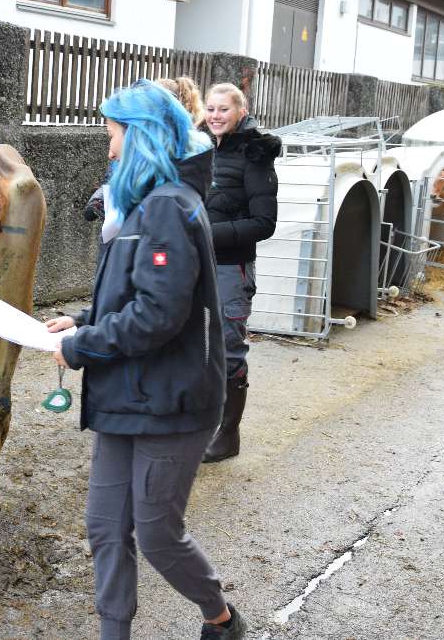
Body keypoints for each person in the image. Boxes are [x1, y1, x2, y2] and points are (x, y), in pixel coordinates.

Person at [46, 80, 248, 640]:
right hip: (125, 395)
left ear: (138, 137)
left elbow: (159, 315)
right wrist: (83, 321)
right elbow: (133, 296)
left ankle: (220, 616)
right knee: (105, 528)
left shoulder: (167, 209)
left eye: (112, 132)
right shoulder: (139, 207)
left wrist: (81, 347)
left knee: (158, 533)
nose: (107, 146)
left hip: (170, 400)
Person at [200, 83, 280, 463]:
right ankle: (201, 424)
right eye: (210, 109)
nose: (215, 116)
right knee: (196, 345)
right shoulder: (198, 148)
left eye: (223, 110)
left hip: (232, 267)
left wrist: (209, 234)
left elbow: (265, 222)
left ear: (240, 111)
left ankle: (228, 434)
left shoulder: (255, 155)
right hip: (195, 264)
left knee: (229, 349)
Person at [82, 76, 204, 223]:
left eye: (112, 136)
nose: (111, 154)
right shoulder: (160, 197)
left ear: (141, 137)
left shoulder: (164, 204)